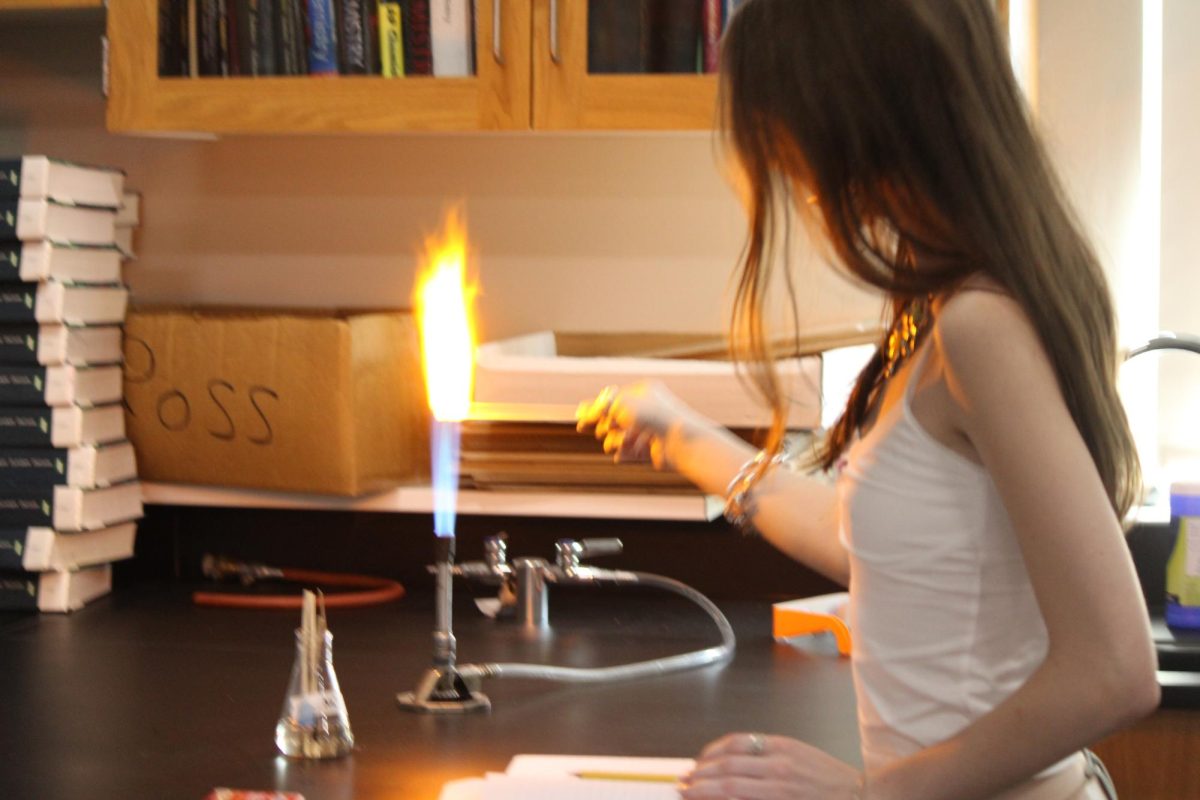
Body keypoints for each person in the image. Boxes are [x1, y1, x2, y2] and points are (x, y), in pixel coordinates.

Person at [574, 1, 1159, 798]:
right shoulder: (942, 303)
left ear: (858, 122)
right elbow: (881, 551)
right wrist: (684, 437)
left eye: (792, 146)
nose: (799, 180)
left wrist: (865, 796)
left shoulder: (978, 326)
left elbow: (1115, 670)